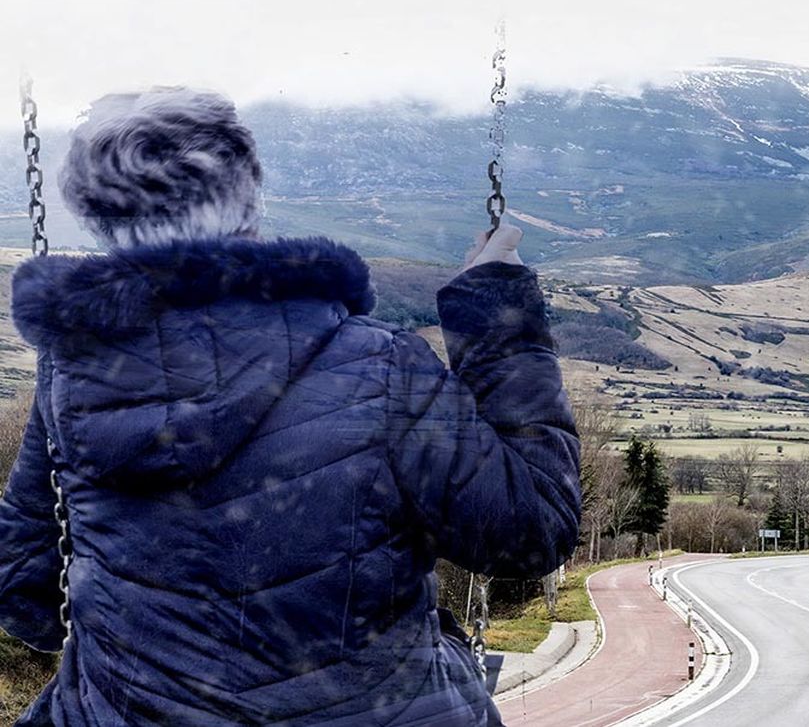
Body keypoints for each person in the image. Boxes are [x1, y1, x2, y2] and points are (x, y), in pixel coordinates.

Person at [0, 87, 581, 725]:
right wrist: (498, 318)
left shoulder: (73, 381)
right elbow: (530, 535)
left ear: (102, 223)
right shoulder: (382, 367)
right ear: (250, 201)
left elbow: (28, 596)